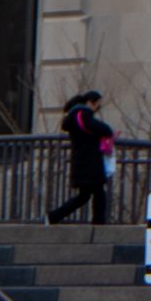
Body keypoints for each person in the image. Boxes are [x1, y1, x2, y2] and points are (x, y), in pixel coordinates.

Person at [46, 91, 114, 226]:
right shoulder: (83, 114)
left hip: (81, 162)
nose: (97, 109)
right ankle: (98, 224)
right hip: (90, 162)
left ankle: (53, 216)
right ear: (90, 103)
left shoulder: (73, 116)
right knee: (98, 193)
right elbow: (104, 129)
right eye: (97, 105)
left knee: (85, 196)